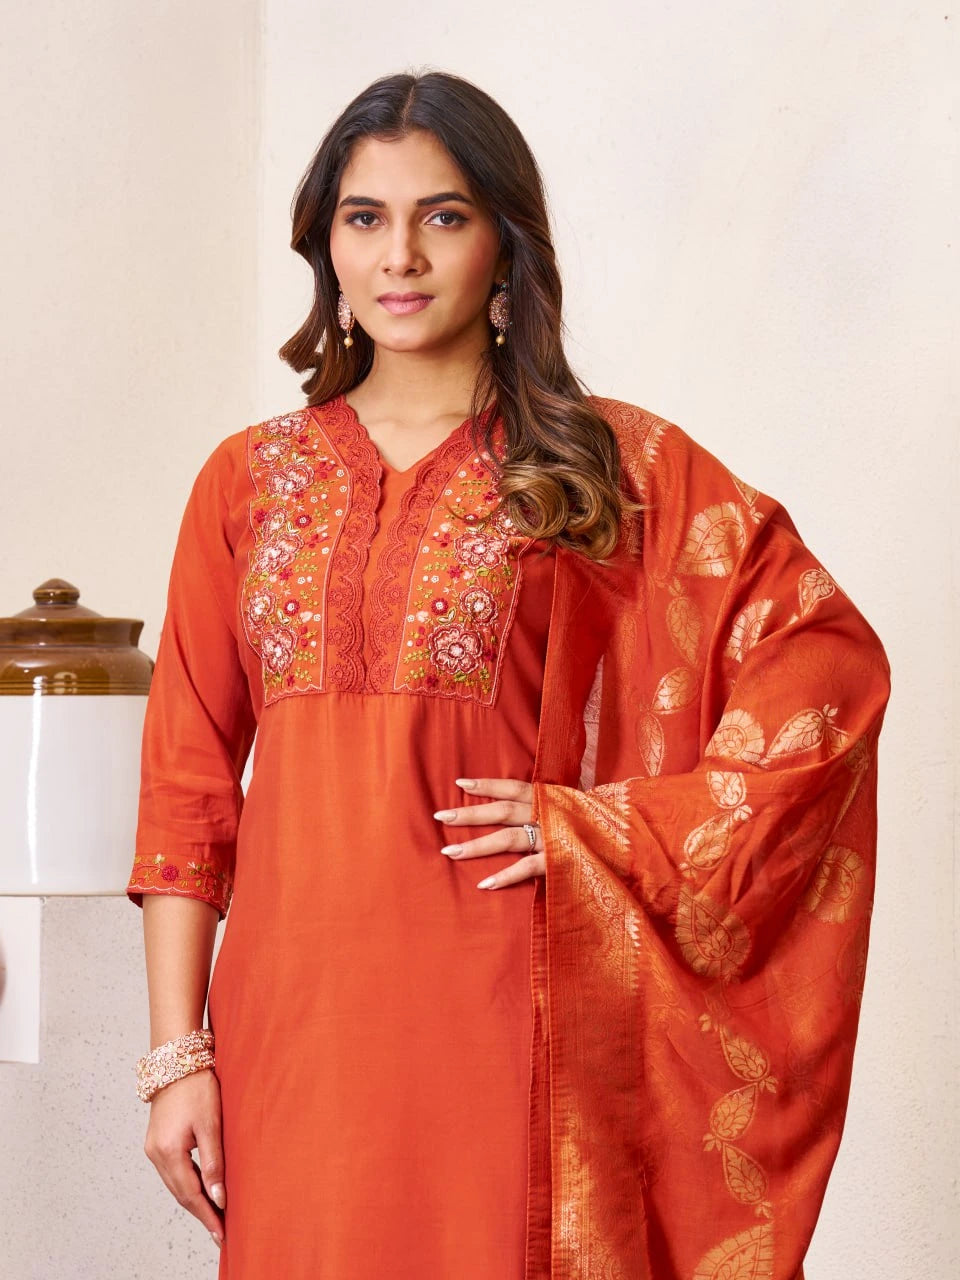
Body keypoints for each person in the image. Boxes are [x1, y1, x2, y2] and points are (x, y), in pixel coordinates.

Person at [126, 70, 890, 1280]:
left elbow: (822, 663)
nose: (401, 255)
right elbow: (188, 790)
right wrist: (179, 1055)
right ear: (326, 245)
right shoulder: (248, 479)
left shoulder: (600, 468)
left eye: (444, 214)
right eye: (365, 218)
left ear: (504, 244)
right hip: (294, 1027)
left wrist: (617, 827)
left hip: (505, 1008)